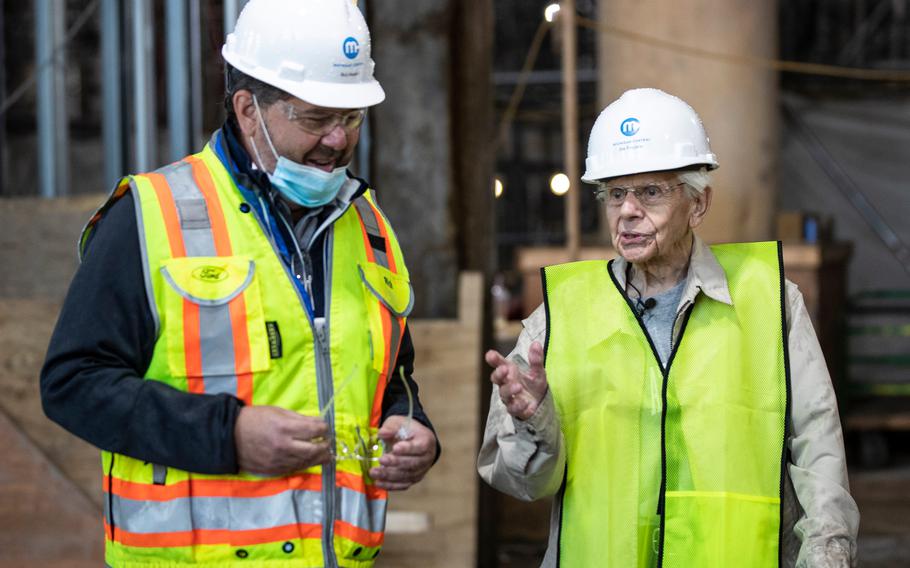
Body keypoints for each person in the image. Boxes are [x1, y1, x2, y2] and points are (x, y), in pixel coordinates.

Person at [41, 1, 439, 566]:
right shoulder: (152, 216)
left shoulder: (370, 226)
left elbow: (390, 376)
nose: (337, 140)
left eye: (351, 118)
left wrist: (412, 426)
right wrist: (227, 436)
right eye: (315, 117)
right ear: (249, 108)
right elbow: (72, 383)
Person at [479, 88, 859, 567]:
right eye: (616, 193)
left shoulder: (769, 301)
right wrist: (534, 421)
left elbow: (819, 451)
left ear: (698, 205)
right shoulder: (558, 318)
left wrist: (828, 551)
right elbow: (522, 483)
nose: (628, 211)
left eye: (651, 191)